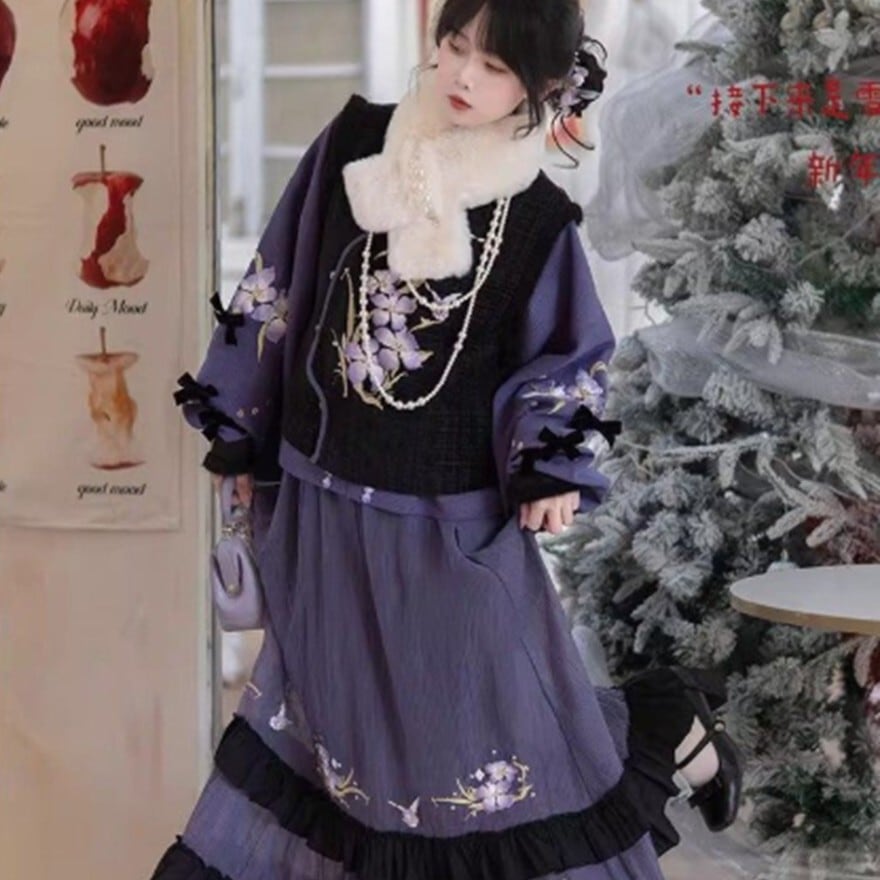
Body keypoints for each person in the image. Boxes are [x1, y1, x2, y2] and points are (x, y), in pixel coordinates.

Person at [152, 1, 741, 877]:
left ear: (544, 85)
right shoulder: (355, 145)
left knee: (488, 740)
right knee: (342, 750)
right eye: (457, 45)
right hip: (318, 504)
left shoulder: (537, 219)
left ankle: (666, 726)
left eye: (496, 66)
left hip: (446, 527)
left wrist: (549, 462)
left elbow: (566, 355)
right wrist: (239, 431)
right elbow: (276, 283)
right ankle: (666, 723)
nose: (464, 75)